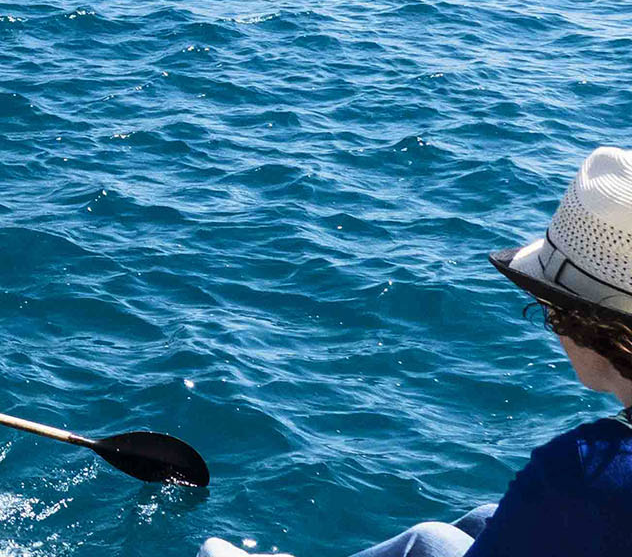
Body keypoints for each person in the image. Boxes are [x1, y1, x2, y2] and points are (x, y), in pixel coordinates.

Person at [200, 146, 632, 557]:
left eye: (548, 308)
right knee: (484, 521)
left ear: (587, 324)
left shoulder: (583, 471)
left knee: (427, 542)